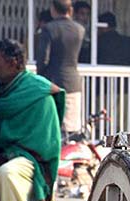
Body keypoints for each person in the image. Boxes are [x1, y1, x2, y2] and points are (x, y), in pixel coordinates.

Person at [0, 39, 64, 201]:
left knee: (7, 174)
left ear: (13, 63)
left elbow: (48, 143)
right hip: (5, 154)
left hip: (32, 160)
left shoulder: (38, 91)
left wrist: (12, 152)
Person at [36, 0, 84, 134]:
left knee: (52, 128)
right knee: (71, 130)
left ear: (53, 9)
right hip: (73, 83)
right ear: (71, 10)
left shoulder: (49, 29)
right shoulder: (80, 29)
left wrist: (39, 83)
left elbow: (43, 60)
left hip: (52, 83)